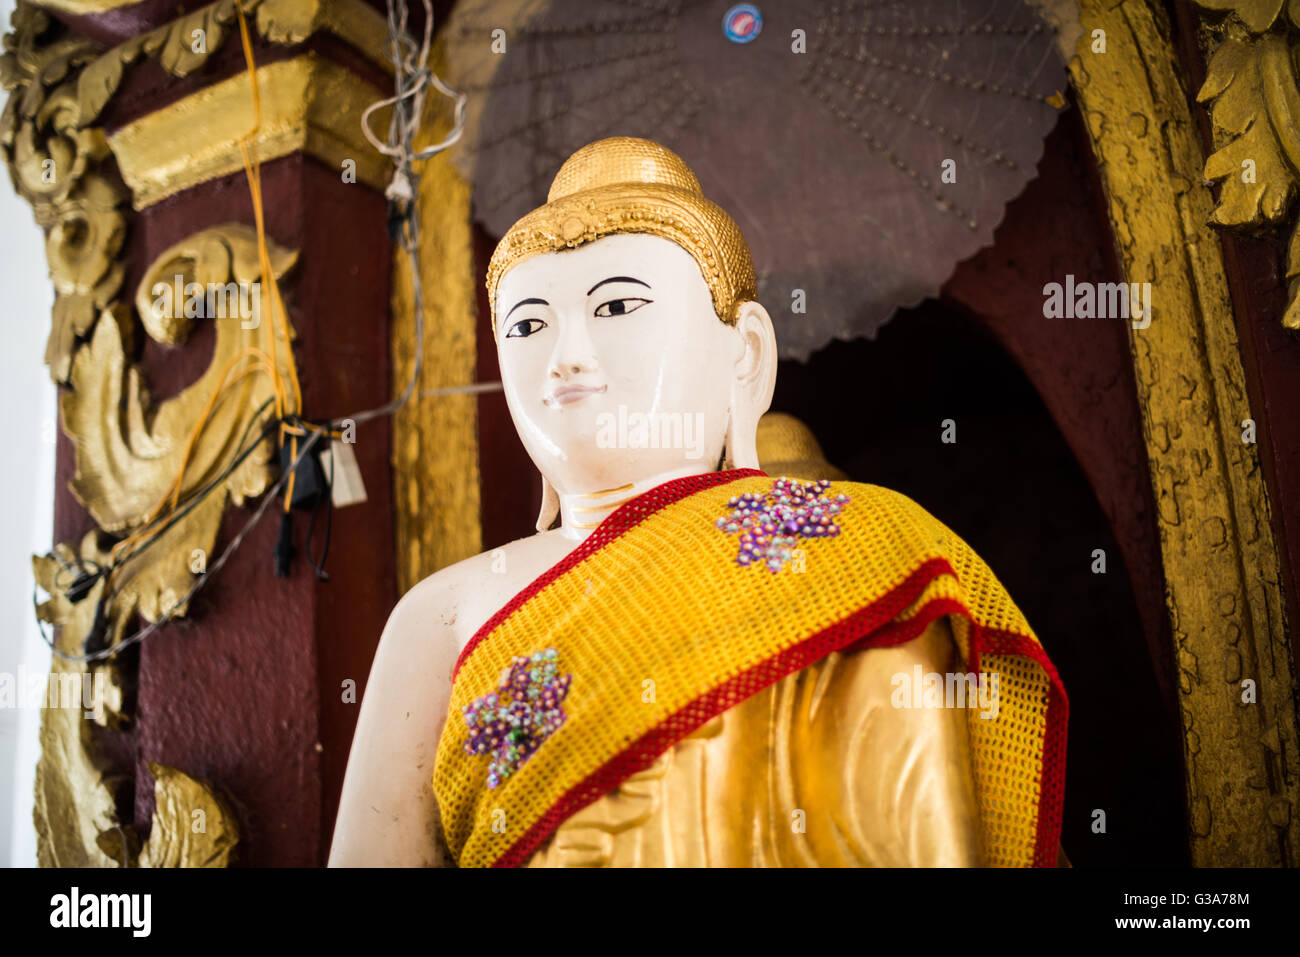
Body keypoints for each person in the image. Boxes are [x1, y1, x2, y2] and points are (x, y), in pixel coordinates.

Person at [329, 136, 1066, 868]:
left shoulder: (867, 549)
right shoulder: (443, 614)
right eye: (527, 324)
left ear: (742, 353)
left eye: (617, 304)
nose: (566, 356)